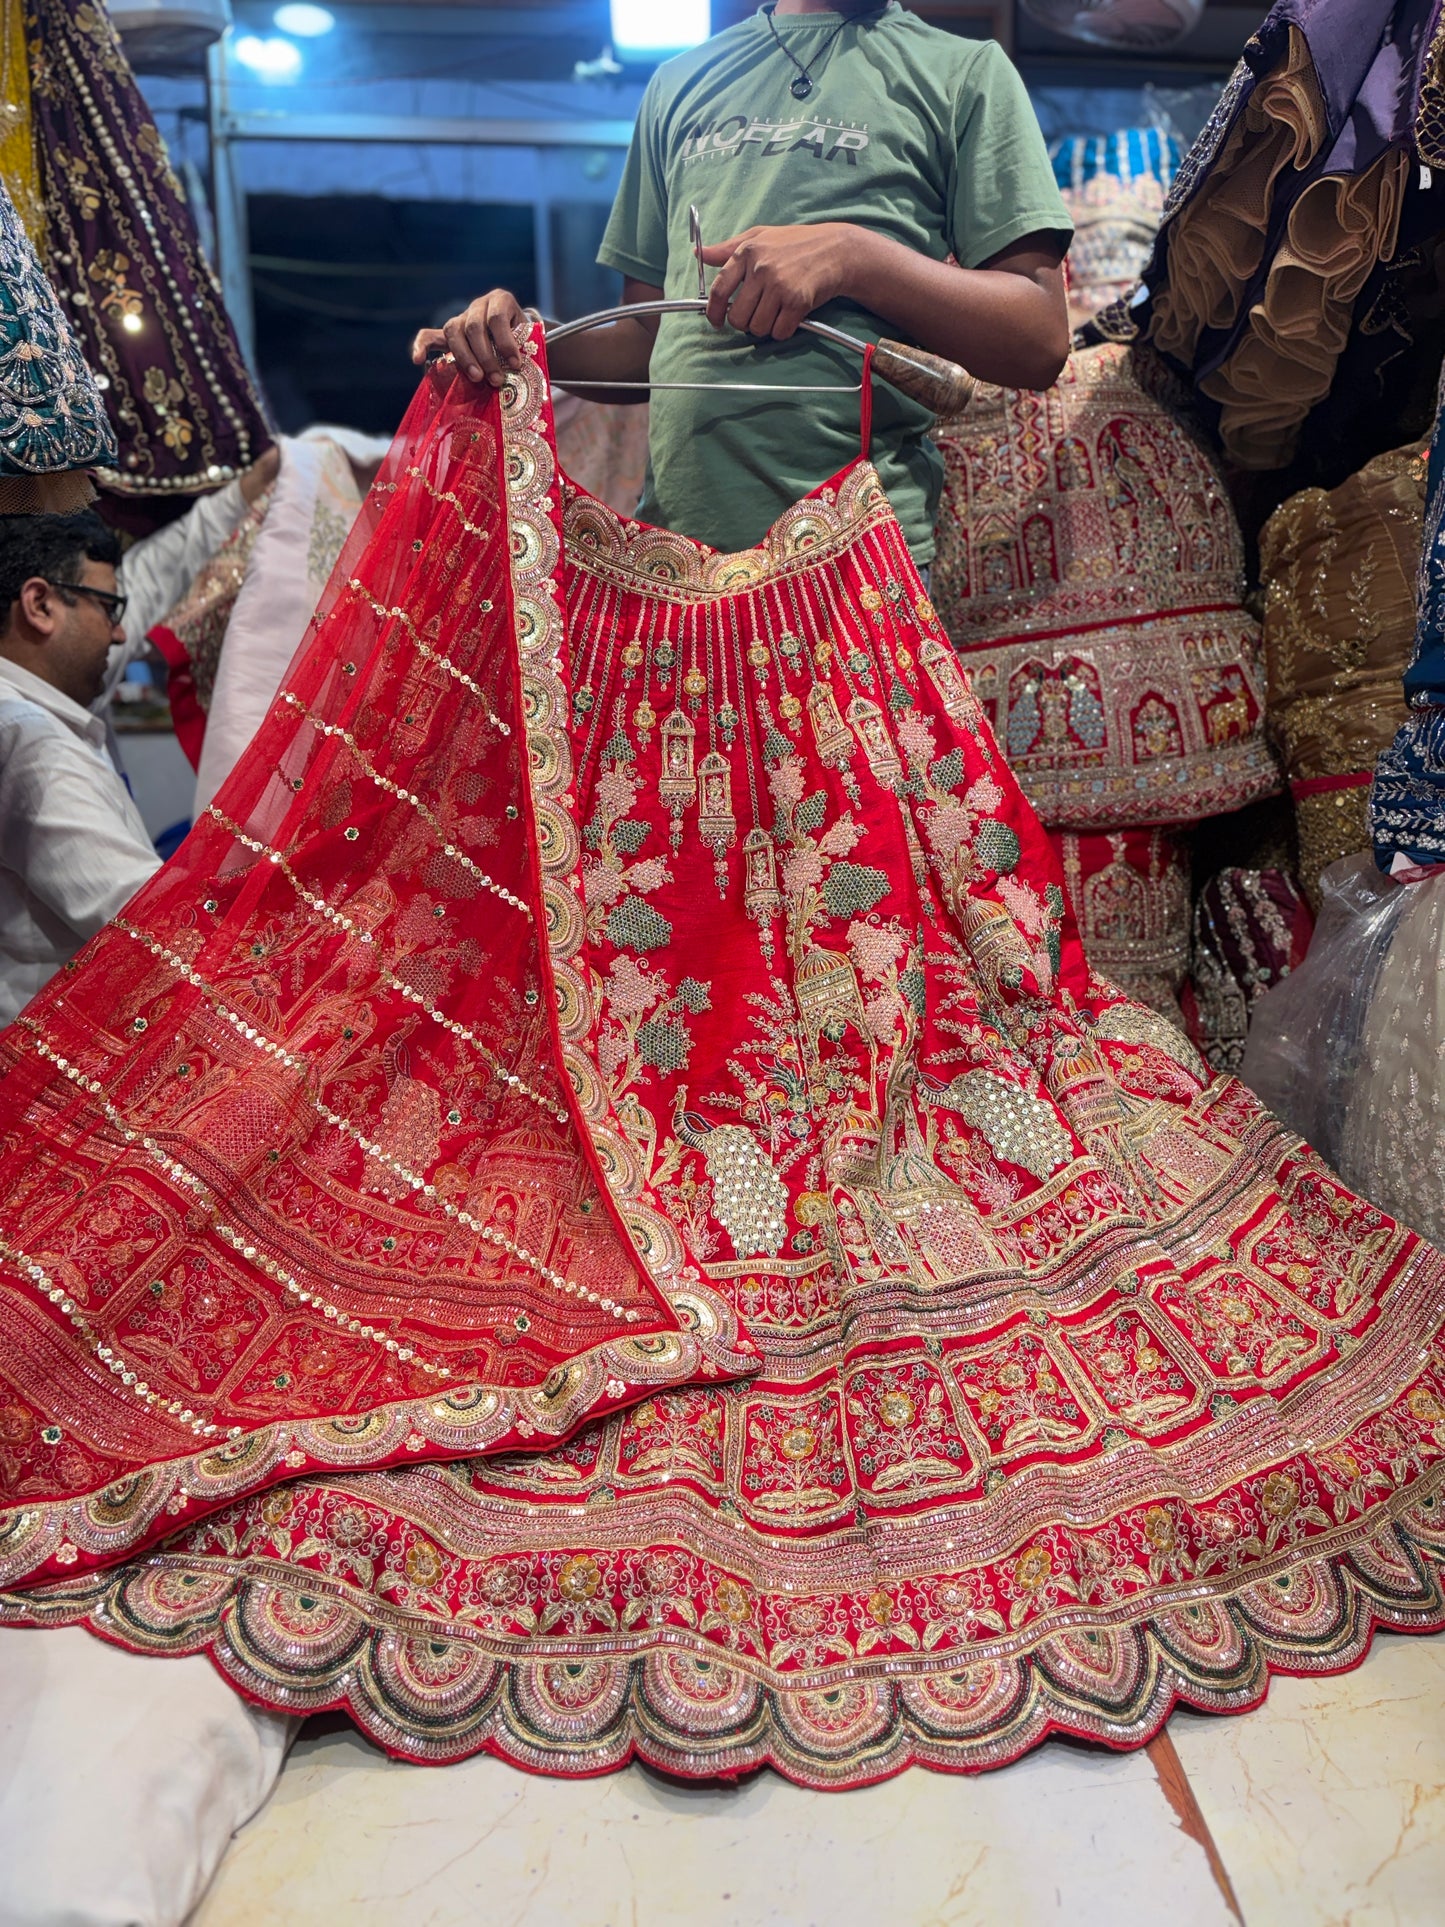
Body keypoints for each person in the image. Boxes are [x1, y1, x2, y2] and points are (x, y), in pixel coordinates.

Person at [413, 0, 1072, 569]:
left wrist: (855, 257)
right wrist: (519, 342)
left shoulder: (965, 73)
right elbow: (646, 342)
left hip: (857, 561)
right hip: (677, 557)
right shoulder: (678, 84)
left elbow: (1038, 339)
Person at [0, 512, 162, 1024]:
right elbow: (147, 919)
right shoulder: (29, 741)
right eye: (108, 607)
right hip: (43, 1058)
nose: (119, 633)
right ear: (40, 604)